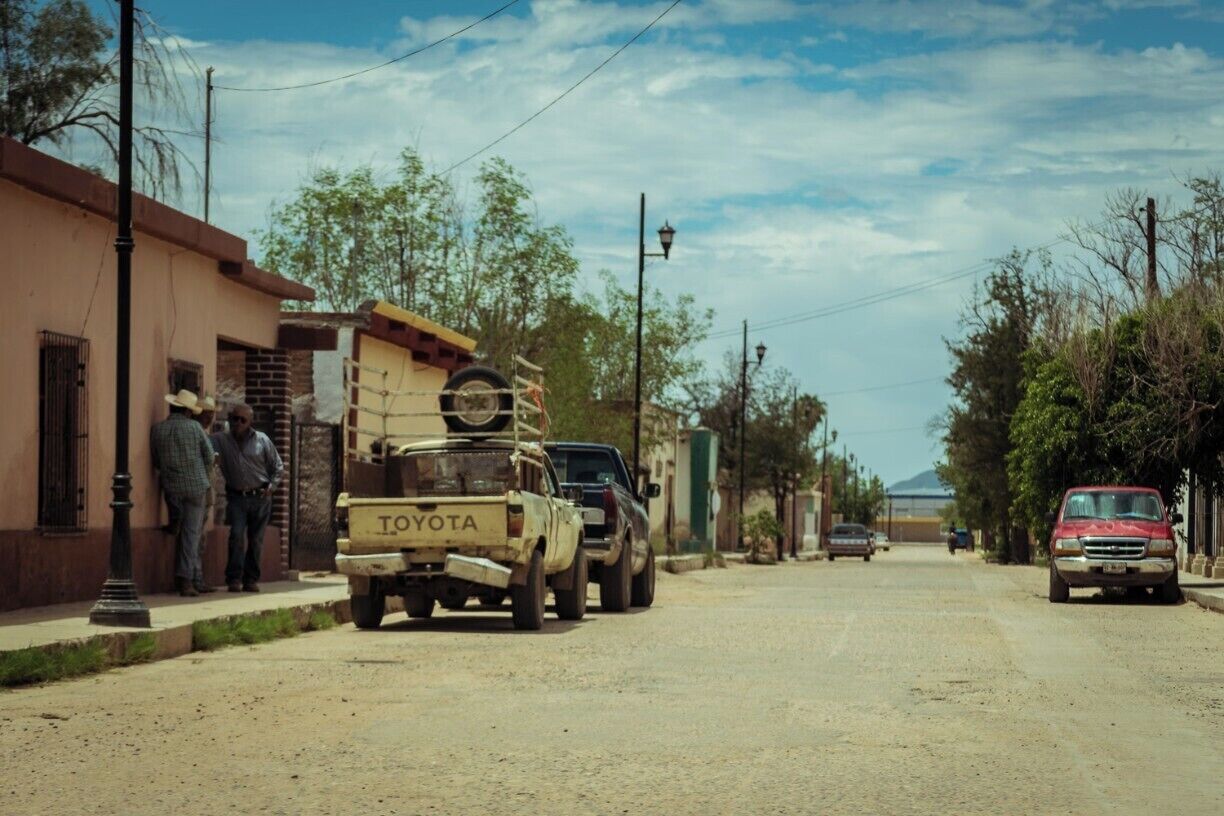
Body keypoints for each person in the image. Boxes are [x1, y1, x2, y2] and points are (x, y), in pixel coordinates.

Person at [211, 403, 283, 592]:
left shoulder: (262, 440)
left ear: (250, 422)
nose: (238, 423)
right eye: (235, 419)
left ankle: (250, 579)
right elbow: (205, 450)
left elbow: (278, 466)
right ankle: (234, 579)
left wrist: (272, 486)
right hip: (236, 497)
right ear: (229, 419)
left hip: (260, 496)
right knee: (236, 536)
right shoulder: (220, 440)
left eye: (243, 420)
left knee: (256, 539)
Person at [150, 389, 215, 596]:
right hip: (196, 488)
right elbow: (209, 457)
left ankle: (174, 521)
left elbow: (156, 459)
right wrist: (203, 477)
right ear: (188, 411)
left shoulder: (157, 429)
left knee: (181, 525)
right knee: (191, 534)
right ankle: (186, 580)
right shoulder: (195, 428)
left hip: (170, 487)